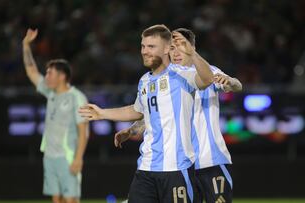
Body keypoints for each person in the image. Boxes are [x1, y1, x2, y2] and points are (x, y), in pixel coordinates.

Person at [79, 24, 214, 203]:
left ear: (167, 48)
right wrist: (103, 113)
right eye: (143, 46)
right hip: (147, 168)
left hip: (176, 169)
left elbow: (207, 79)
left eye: (151, 47)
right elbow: (136, 110)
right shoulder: (145, 81)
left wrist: (192, 54)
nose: (144, 51)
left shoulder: (182, 74)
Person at [114, 28, 242, 203]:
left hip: (210, 160)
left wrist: (231, 82)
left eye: (180, 46)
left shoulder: (209, 72)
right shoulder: (166, 78)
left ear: (191, 47)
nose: (175, 52)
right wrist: (132, 130)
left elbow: (237, 86)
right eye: (172, 48)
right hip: (182, 165)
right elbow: (156, 115)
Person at [22, 28, 89, 203]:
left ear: (62, 76)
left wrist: (78, 159)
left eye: (50, 73)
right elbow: (31, 71)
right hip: (50, 155)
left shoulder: (77, 97)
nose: (47, 77)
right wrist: (25, 45)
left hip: (67, 156)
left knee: (71, 200)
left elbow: (84, 131)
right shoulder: (50, 92)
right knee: (56, 199)